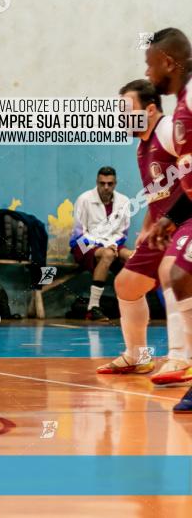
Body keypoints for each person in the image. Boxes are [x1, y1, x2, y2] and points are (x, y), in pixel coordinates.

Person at [97, 79, 190, 381]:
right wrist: (147, 228)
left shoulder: (167, 131)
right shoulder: (142, 146)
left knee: (170, 274)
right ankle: (137, 357)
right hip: (163, 228)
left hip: (186, 221)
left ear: (149, 110)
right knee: (127, 284)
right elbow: (157, 193)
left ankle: (181, 358)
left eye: (127, 108)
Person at [145, 28, 192, 411]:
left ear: (168, 63)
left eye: (149, 65)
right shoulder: (181, 102)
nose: (147, 74)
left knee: (176, 274)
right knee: (177, 275)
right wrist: (170, 218)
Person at [69, 166, 132, 322]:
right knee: (108, 254)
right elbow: (79, 234)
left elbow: (122, 233)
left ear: (115, 183)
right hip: (83, 245)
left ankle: (130, 305)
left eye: (109, 184)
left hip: (113, 244)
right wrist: (105, 245)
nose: (106, 187)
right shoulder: (84, 199)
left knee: (132, 256)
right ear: (97, 182)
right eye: (102, 183)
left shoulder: (124, 201)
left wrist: (111, 244)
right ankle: (93, 308)